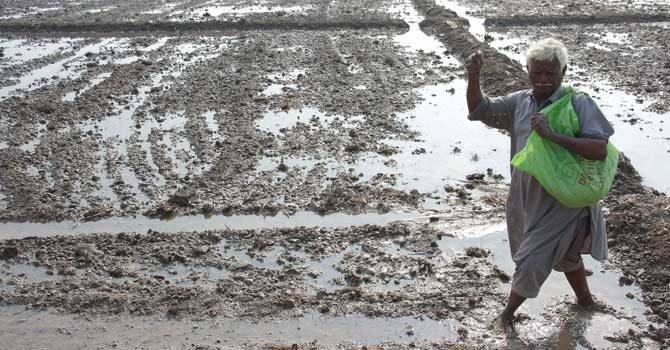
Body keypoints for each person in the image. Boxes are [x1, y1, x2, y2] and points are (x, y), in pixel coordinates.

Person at [464, 38, 614, 331]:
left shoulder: (577, 103)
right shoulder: (521, 101)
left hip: (564, 199)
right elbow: (479, 110)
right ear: (528, 71)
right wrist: (473, 76)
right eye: (537, 73)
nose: (544, 80)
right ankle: (586, 302)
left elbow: (599, 149)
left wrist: (552, 136)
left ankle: (506, 315)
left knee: (532, 257)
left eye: (551, 74)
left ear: (563, 72)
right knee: (567, 254)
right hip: (526, 196)